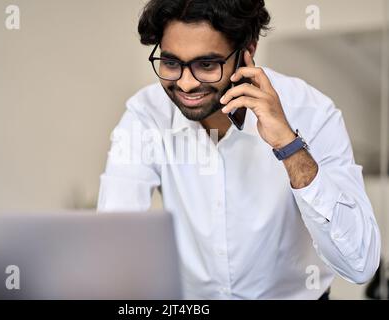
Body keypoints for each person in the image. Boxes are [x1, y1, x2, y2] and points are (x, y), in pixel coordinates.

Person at [97, 0, 381, 299]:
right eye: (171, 63)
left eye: (206, 65)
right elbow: (115, 240)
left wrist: (289, 145)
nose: (186, 83)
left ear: (248, 52)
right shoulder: (147, 114)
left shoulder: (313, 113)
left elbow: (359, 265)